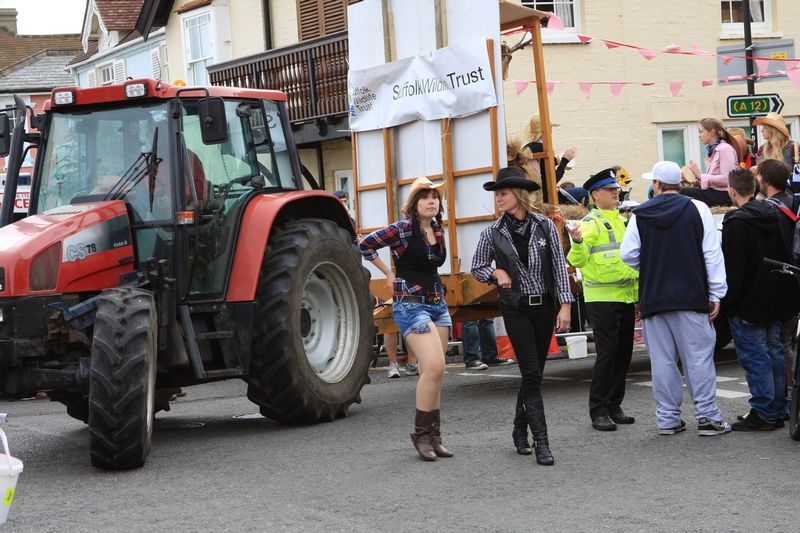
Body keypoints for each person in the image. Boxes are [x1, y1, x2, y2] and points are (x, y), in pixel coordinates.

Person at [621, 161, 731, 436]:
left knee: (662, 361)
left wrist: (652, 265)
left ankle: (668, 419)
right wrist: (716, 292)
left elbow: (629, 254)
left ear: (657, 184)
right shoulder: (698, 209)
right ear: (678, 184)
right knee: (698, 358)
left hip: (654, 297)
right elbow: (711, 253)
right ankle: (707, 416)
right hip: (691, 295)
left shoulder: (640, 214)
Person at [471, 166, 573, 466]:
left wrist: (565, 305)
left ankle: (518, 429)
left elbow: (558, 267)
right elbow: (477, 266)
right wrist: (495, 271)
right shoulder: (492, 232)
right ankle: (542, 442)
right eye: (497, 194)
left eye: (502, 194)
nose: (498, 199)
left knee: (534, 374)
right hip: (515, 308)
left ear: (517, 194)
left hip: (543, 308)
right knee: (530, 374)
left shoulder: (544, 226)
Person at [359, 177, 453, 461]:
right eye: (424, 197)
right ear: (414, 204)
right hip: (411, 305)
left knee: (435, 372)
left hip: (438, 304)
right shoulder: (401, 229)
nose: (431, 201)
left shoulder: (437, 229)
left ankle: (434, 436)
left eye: (434, 196)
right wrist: (387, 272)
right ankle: (421, 435)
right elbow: (365, 244)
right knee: (434, 367)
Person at [721, 168, 800, 430]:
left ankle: (765, 412)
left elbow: (735, 268)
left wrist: (730, 303)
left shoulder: (736, 222)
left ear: (732, 191)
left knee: (756, 358)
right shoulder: (774, 213)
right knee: (775, 354)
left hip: (749, 302)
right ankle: (779, 407)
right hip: (775, 298)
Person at [567, 168, 639, 432]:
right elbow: (577, 261)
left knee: (623, 355)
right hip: (602, 299)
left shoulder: (622, 220)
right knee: (607, 355)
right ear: (596, 195)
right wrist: (575, 242)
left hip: (625, 296)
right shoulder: (590, 223)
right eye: (611, 190)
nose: (616, 192)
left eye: (616, 189)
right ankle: (598, 410)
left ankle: (614, 405)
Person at [754, 159, 798, 420]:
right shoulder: (794, 202)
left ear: (765, 181)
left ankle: (786, 400)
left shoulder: (771, 209)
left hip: (783, 282)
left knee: (781, 345)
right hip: (795, 282)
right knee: (788, 344)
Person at [681, 118, 737, 207]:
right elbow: (712, 179)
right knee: (681, 190)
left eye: (701, 131)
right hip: (715, 192)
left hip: (724, 194)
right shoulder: (714, 150)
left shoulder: (725, 149)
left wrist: (700, 176)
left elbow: (728, 179)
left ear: (712, 132)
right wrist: (697, 181)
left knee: (682, 193)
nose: (699, 135)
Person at [521, 116, 577, 204]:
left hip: (527, 199)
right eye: (550, 128)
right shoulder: (542, 149)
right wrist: (564, 161)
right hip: (541, 201)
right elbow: (551, 181)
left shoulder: (526, 148)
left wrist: (557, 161)